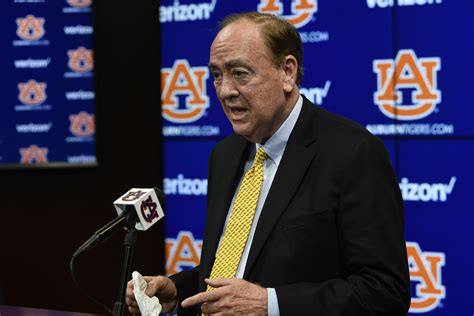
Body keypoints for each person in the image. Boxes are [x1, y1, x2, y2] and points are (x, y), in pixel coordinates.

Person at [126, 12, 410, 315]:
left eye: (240, 73)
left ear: (287, 72)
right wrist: (178, 289)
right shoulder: (224, 156)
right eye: (217, 74)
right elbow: (247, 265)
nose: (225, 91)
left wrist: (271, 304)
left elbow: (385, 291)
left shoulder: (353, 153)